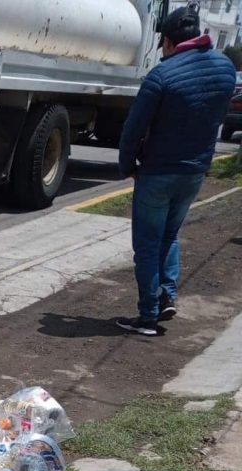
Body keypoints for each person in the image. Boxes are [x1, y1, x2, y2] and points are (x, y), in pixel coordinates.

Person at [116, 3, 237, 337]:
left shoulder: (161, 76)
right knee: (169, 235)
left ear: (168, 41)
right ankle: (167, 294)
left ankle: (147, 317)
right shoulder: (225, 70)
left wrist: (127, 165)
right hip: (195, 171)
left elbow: (133, 128)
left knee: (147, 244)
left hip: (158, 173)